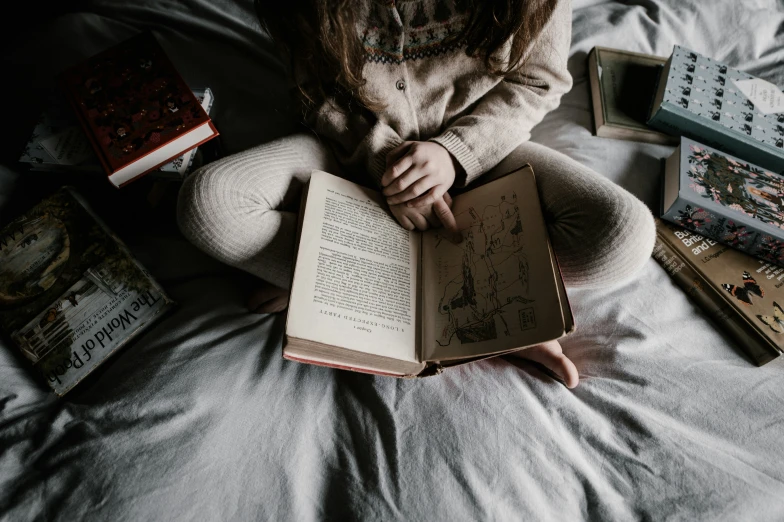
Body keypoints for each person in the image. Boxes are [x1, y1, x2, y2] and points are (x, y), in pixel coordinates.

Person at [176, 0, 656, 388]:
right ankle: (343, 279)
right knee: (209, 204)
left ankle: (332, 277)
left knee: (622, 235)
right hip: (346, 151)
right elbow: (319, 93)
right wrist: (390, 165)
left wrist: (453, 155)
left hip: (482, 152)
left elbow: (539, 80)